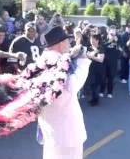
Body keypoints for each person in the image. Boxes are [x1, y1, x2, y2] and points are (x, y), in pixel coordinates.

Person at [38, 26, 92, 159]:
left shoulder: (43, 60)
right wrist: (83, 61)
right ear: (61, 44)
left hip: (51, 127)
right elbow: (72, 85)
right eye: (67, 41)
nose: (69, 44)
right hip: (66, 131)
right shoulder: (58, 62)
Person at [100, 26, 120, 98]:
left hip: (113, 62)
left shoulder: (118, 40)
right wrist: (110, 41)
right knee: (103, 77)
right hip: (104, 61)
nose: (113, 36)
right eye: (111, 34)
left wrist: (117, 42)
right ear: (108, 32)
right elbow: (103, 47)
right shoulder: (104, 39)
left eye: (114, 34)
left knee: (111, 78)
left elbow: (120, 50)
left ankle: (109, 92)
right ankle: (101, 91)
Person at [87, 34, 105, 106]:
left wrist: (91, 56)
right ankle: (92, 99)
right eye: (91, 39)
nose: (91, 41)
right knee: (91, 85)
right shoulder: (89, 48)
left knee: (95, 85)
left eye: (93, 40)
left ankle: (95, 100)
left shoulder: (100, 48)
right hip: (90, 69)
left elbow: (101, 60)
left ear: (97, 40)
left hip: (98, 69)